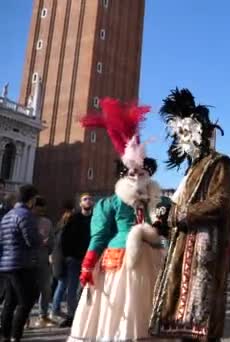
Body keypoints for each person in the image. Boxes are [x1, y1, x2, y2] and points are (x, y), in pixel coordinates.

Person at [68, 98, 166, 341]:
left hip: (150, 259)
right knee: (120, 307)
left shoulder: (156, 202)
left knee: (145, 305)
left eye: (141, 172)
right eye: (132, 172)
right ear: (125, 173)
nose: (137, 175)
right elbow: (99, 235)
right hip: (119, 261)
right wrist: (89, 263)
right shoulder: (110, 203)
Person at [149, 88, 230, 342]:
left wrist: (180, 214)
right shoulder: (191, 170)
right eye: (179, 134)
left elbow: (220, 202)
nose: (182, 139)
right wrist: (165, 218)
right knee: (183, 320)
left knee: (202, 323)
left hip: (204, 251)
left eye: (186, 132)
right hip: (184, 248)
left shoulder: (220, 163)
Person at [0, 184, 41, 341]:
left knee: (10, 301)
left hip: (7, 264)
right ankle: (15, 336)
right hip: (22, 263)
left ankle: (5, 335)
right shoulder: (25, 215)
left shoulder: (7, 215)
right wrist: (39, 240)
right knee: (25, 302)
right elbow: (31, 240)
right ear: (31, 199)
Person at [52, 194, 93, 327]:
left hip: (90, 257)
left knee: (88, 287)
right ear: (80, 203)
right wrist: (67, 255)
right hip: (74, 259)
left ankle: (87, 313)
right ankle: (71, 315)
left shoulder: (95, 219)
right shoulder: (74, 218)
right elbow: (64, 237)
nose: (88, 201)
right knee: (72, 287)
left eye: (90, 199)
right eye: (85, 199)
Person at [31, 196, 55, 327]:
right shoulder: (27, 220)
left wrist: (48, 247)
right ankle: (25, 317)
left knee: (46, 289)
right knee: (28, 290)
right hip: (28, 260)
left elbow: (52, 240)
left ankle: (43, 315)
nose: (40, 210)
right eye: (39, 207)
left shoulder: (47, 222)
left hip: (43, 259)